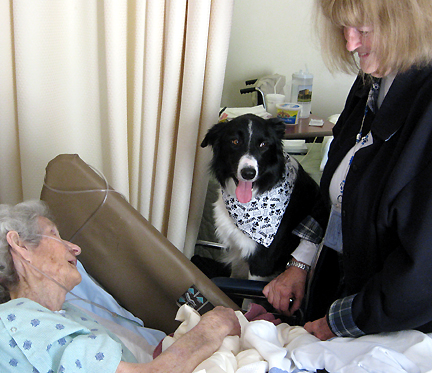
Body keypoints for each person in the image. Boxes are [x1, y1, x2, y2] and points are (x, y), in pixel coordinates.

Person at [264, 0, 432, 340]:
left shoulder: (424, 108)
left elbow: (423, 269)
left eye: (364, 31)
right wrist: (301, 262)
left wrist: (342, 320)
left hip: (394, 329)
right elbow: (342, 188)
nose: (350, 44)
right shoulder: (374, 80)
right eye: (344, 28)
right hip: (342, 292)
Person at [0, 200, 240, 372]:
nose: (75, 248)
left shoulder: (63, 315)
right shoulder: (13, 320)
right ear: (20, 244)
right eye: (55, 235)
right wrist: (213, 327)